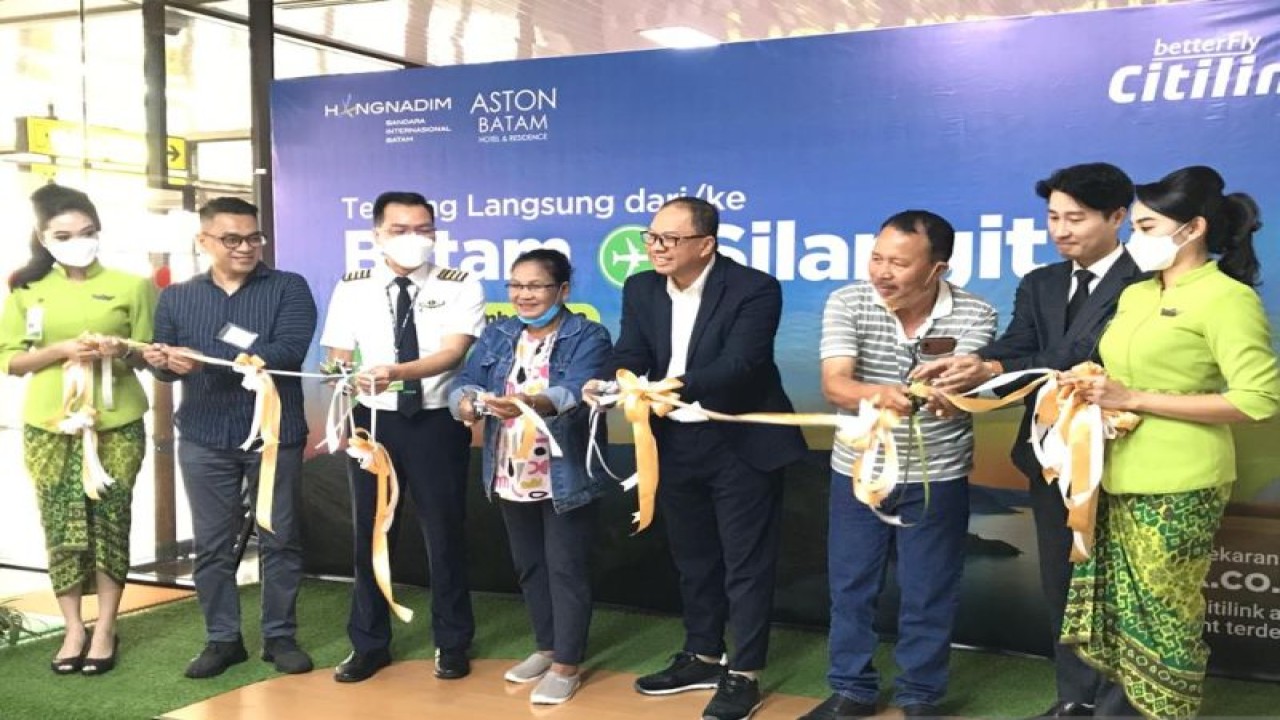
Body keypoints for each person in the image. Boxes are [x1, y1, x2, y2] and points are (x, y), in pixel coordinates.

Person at [913, 163, 1143, 719]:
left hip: (1121, 455)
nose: (1061, 230)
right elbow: (1017, 351)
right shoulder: (1040, 283)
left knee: (1118, 589)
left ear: (1118, 217)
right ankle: (1073, 698)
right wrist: (978, 368)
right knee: (1061, 582)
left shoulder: (1145, 281)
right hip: (1047, 457)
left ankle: (1121, 704)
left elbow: (1081, 364)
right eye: (1053, 217)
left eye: (1076, 219)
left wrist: (996, 365)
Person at [1059, 166, 1280, 719]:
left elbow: (1258, 400)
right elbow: (1123, 376)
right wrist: (1093, 385)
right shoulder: (1135, 296)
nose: (1136, 238)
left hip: (1182, 483)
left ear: (1193, 228)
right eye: (1134, 225)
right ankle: (1119, 707)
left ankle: (1162, 711)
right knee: (1119, 612)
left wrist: (1134, 398)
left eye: (1147, 225)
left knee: (1166, 611)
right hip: (1114, 474)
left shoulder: (1227, 299)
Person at [585, 196, 808, 720]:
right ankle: (704, 654)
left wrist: (666, 385)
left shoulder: (754, 288)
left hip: (740, 440)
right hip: (674, 442)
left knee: (745, 562)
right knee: (693, 557)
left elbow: (743, 365)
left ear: (705, 245)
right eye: (651, 236)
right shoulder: (641, 287)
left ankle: (744, 673)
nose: (655, 248)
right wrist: (615, 380)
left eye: (669, 239)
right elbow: (631, 351)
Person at [801, 210, 996, 720]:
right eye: (876, 258)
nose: (882, 272)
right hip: (859, 469)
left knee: (930, 589)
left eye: (899, 263)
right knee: (851, 584)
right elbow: (836, 384)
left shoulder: (976, 314)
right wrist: (880, 393)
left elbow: (969, 389)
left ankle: (921, 696)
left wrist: (956, 397)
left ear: (937, 269)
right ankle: (851, 689)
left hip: (939, 471)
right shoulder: (849, 301)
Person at [142, 197, 317, 678]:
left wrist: (202, 356)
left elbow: (287, 353)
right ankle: (222, 640)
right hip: (203, 435)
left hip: (273, 433)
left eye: (254, 238)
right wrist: (164, 363)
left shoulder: (288, 287)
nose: (245, 247)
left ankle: (279, 637)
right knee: (213, 544)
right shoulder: (177, 296)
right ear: (204, 241)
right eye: (232, 239)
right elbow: (165, 372)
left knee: (280, 537)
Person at [320, 191, 484, 683]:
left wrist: (395, 371)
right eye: (400, 229)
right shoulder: (352, 286)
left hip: (435, 422)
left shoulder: (459, 283)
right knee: (370, 535)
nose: (414, 239)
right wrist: (344, 377)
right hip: (373, 424)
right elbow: (335, 358)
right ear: (376, 234)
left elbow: (453, 353)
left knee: (445, 533)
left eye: (423, 229)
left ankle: (452, 642)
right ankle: (368, 644)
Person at [0, 184, 155, 676]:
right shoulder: (26, 290)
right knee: (60, 524)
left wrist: (121, 349)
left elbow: (152, 352)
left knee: (111, 520)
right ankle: (73, 627)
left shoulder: (133, 285)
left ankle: (106, 625)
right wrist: (62, 350)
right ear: (43, 238)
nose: (78, 241)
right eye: (64, 234)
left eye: (87, 233)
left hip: (117, 423)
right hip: (50, 425)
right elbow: (11, 359)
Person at [447, 248, 612, 705]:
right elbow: (464, 381)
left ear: (562, 290)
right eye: (516, 285)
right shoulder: (499, 333)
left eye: (536, 286)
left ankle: (567, 665)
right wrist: (464, 403)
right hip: (508, 470)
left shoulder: (588, 335)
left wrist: (530, 403)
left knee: (566, 568)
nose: (524, 295)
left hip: (563, 473)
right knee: (530, 566)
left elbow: (577, 389)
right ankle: (546, 647)